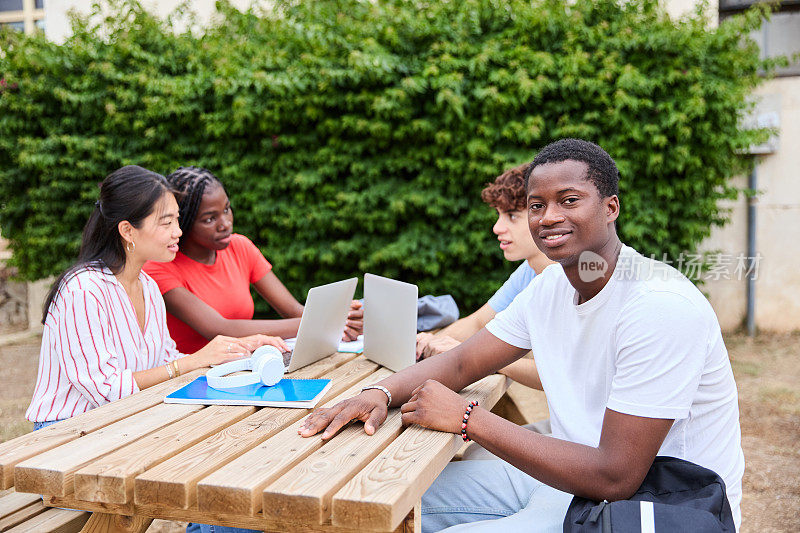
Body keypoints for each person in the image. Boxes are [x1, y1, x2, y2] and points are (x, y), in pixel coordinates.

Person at [299, 139, 745, 532]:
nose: (549, 217)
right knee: (380, 496)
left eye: (569, 200)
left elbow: (616, 475)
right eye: (536, 205)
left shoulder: (658, 305)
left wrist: (468, 417)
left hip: (657, 505)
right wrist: (379, 391)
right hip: (569, 479)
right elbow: (461, 362)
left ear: (610, 207)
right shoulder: (552, 286)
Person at [26, 166, 286, 429]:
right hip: (67, 429)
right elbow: (105, 389)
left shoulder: (147, 286)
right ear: (128, 231)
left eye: (177, 219)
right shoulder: (83, 290)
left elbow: (165, 360)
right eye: (166, 223)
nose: (178, 232)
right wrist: (193, 360)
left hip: (126, 419)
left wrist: (240, 351)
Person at [143, 166, 362, 354]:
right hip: (193, 381)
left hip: (245, 366)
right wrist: (320, 322)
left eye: (227, 209)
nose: (225, 223)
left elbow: (293, 310)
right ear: (183, 223)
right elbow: (219, 328)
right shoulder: (160, 266)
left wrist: (340, 318)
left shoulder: (239, 246)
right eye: (210, 219)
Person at [415, 163, 553, 393]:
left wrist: (483, 360)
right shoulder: (529, 269)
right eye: (499, 215)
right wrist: (431, 344)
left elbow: (559, 376)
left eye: (511, 215)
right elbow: (478, 322)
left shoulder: (574, 279)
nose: (497, 228)